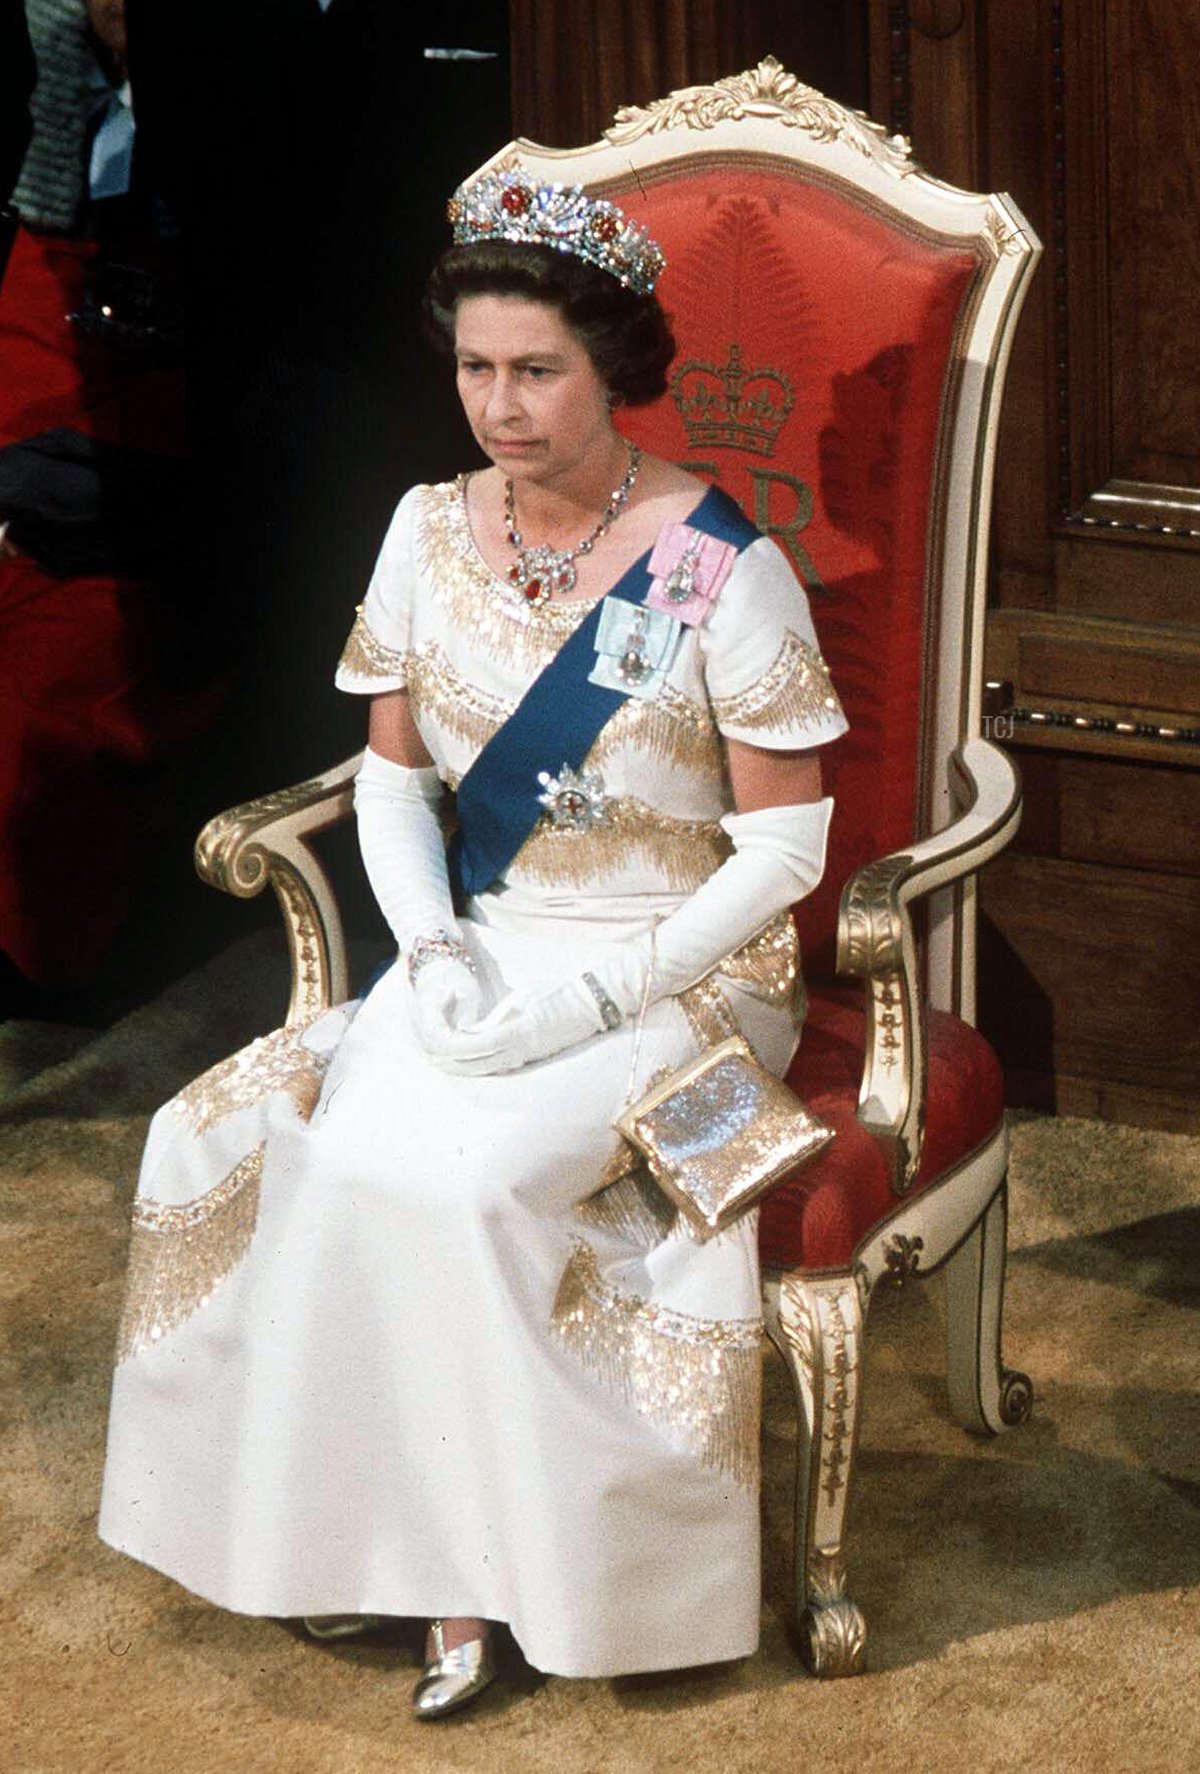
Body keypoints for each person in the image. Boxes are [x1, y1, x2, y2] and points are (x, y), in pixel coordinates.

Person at [98, 167, 849, 1720]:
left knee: (464, 1174)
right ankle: (399, 1554)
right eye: (473, 367)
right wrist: (433, 946)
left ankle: (515, 1581)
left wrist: (596, 989)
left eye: (537, 369)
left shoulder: (722, 564)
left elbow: (787, 850)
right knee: (342, 1148)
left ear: (615, 365)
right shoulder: (423, 530)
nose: (499, 405)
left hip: (687, 968)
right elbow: (389, 780)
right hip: (489, 937)